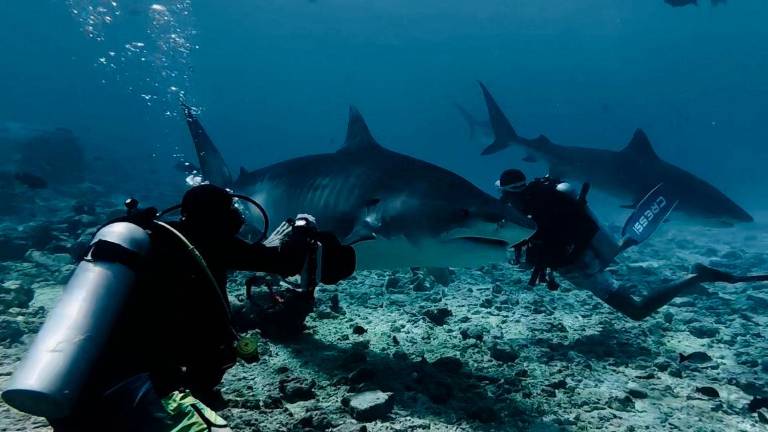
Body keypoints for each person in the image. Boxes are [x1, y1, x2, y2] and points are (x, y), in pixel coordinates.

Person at [19, 184, 355, 431]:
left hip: (76, 378)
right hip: (145, 385)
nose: (238, 218)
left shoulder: (154, 237)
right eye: (231, 211)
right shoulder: (206, 241)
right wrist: (303, 229)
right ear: (217, 217)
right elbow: (285, 262)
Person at [497, 169, 768, 321]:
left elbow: (545, 243)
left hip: (580, 266)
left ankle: (697, 276)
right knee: (608, 259)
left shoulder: (529, 208)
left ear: (507, 190)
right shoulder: (543, 194)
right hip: (587, 252)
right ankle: (621, 245)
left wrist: (534, 258)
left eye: (502, 191)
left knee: (636, 311)